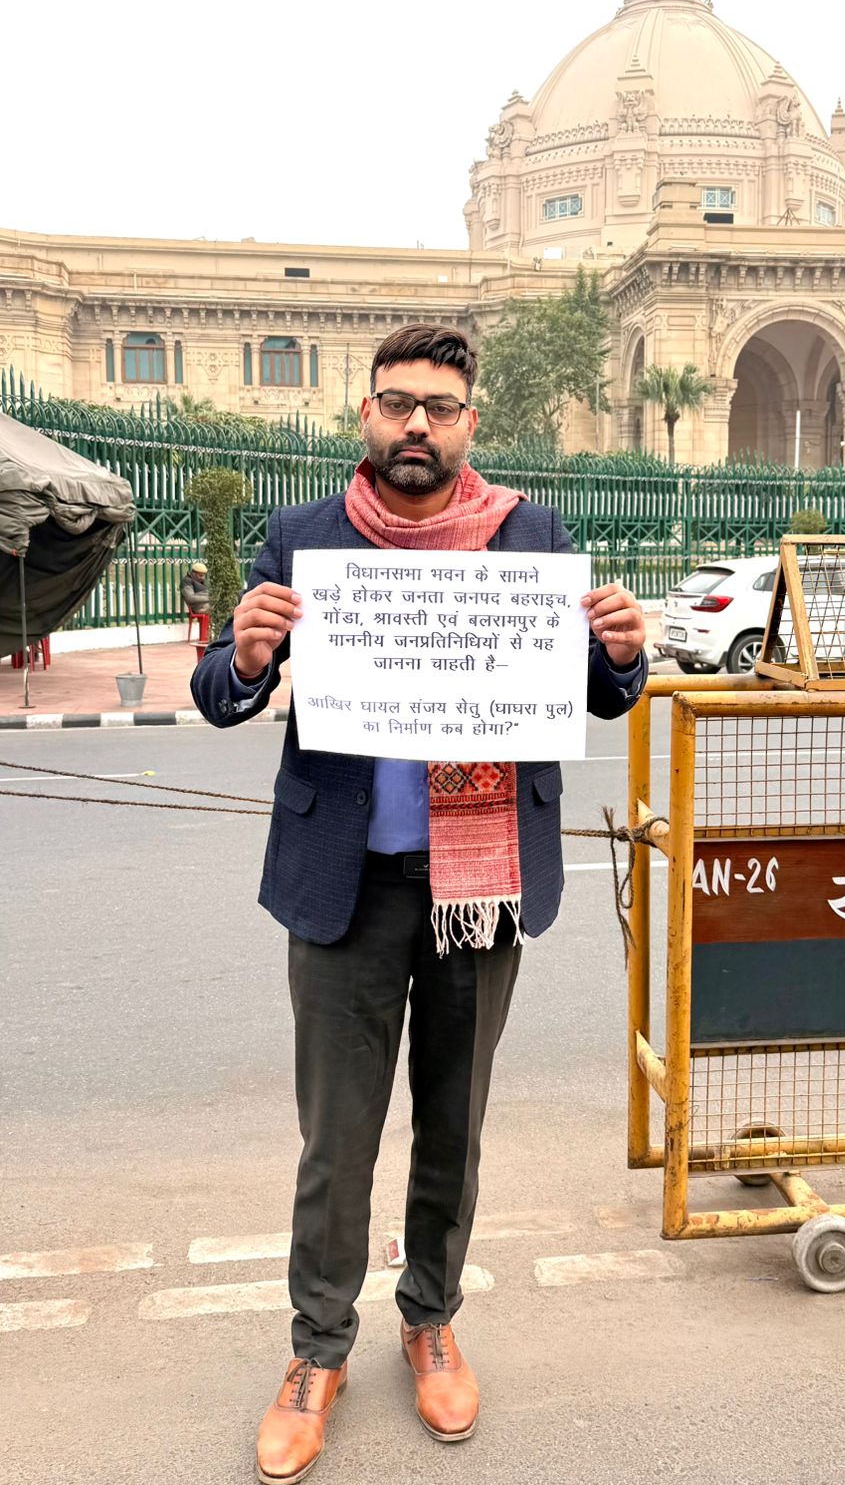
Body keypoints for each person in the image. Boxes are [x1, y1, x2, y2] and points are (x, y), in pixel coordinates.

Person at [190, 324, 647, 1484]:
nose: (417, 427)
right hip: (342, 886)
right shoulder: (306, 537)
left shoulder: (528, 533)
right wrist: (242, 657)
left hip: (479, 887)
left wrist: (626, 651)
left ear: (469, 423)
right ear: (366, 415)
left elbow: (592, 691)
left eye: (439, 408)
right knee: (336, 1136)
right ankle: (316, 1350)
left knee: (454, 1121)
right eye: (398, 404)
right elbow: (217, 694)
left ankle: (431, 1314)